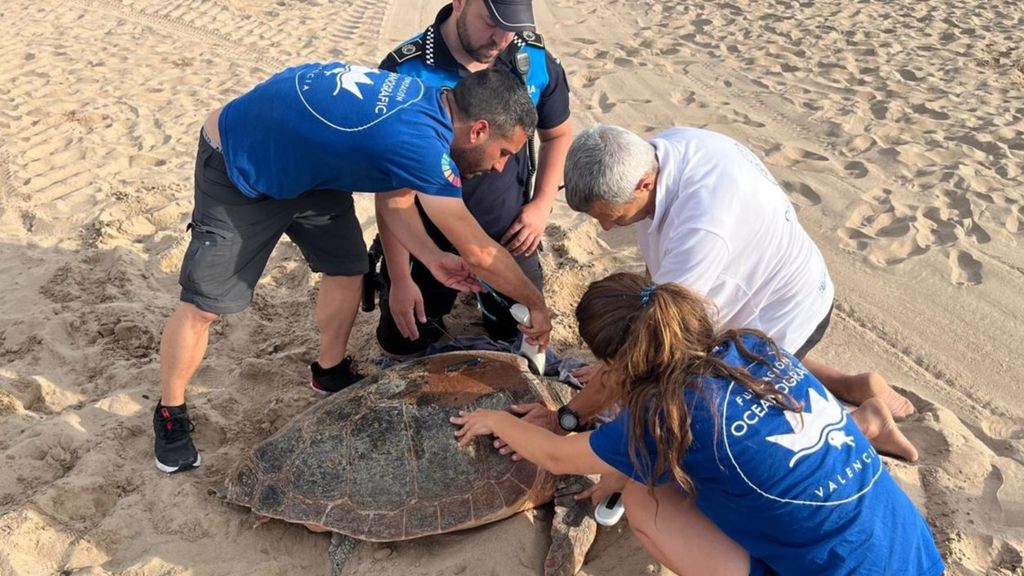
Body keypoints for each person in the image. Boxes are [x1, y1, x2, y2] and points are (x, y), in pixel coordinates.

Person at [153, 63, 552, 473]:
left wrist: (431, 259)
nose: (502, 166)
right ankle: (170, 411)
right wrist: (535, 305)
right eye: (504, 153)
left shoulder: (430, 105)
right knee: (205, 305)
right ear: (479, 130)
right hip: (239, 163)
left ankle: (329, 372)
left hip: (310, 169)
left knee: (348, 268)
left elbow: (396, 201)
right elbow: (479, 251)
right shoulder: (420, 142)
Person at [451, 273, 945, 576]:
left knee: (644, 500)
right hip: (914, 553)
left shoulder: (663, 414)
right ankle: (867, 421)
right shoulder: (753, 346)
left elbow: (558, 456)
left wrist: (493, 418)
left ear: (619, 363)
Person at [515, 124, 917, 462]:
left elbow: (652, 344)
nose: (605, 229)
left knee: (728, 435)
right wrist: (607, 379)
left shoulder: (702, 228)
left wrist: (566, 417)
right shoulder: (662, 151)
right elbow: (659, 287)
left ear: (644, 183)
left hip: (790, 307)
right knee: (719, 351)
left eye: (611, 216)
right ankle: (850, 384)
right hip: (759, 290)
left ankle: (864, 424)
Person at [373, 0, 571, 355]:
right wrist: (400, 278)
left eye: (511, 26)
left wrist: (541, 206)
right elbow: (390, 191)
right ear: (460, 2)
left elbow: (557, 134)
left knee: (524, 341)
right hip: (427, 241)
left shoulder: (531, 59)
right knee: (402, 342)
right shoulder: (406, 71)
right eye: (491, 22)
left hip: (509, 234)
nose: (501, 38)